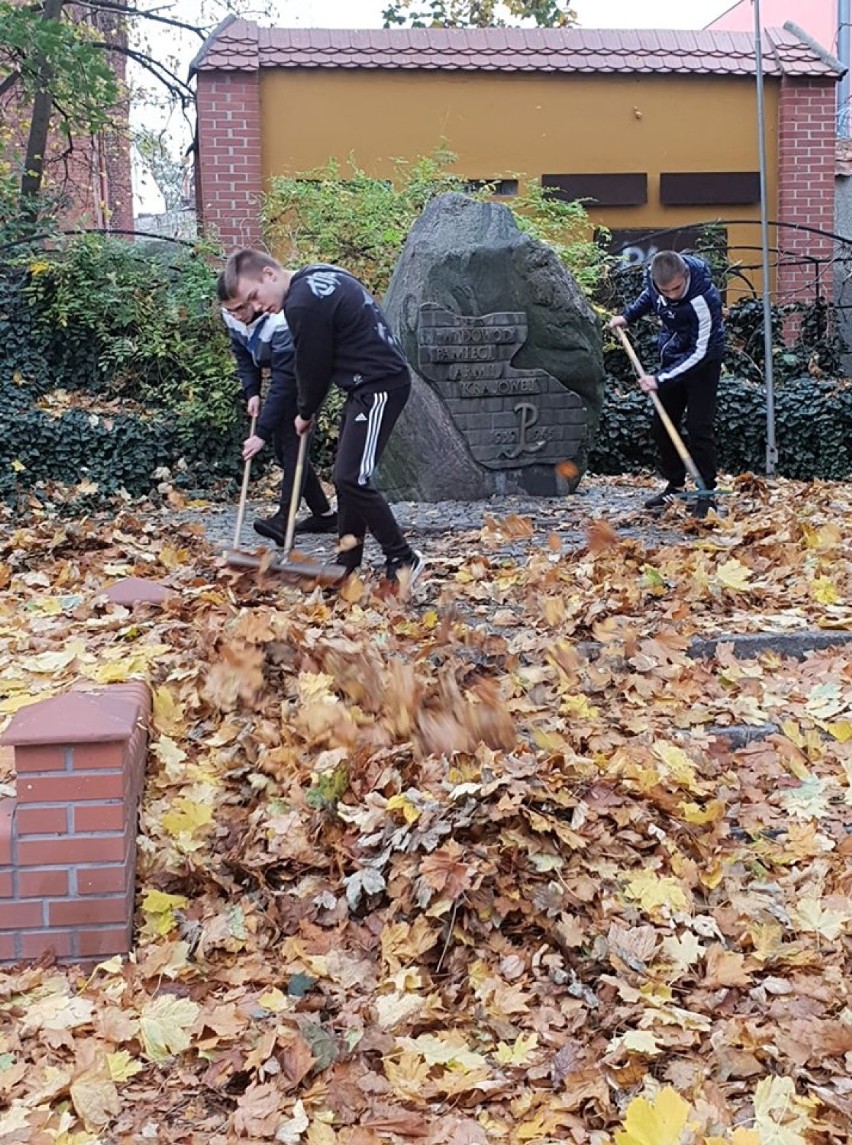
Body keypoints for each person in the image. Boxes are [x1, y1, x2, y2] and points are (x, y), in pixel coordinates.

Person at [220, 250, 424, 586]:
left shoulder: (301, 304)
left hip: (379, 384)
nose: (256, 308)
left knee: (351, 477)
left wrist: (304, 412)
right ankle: (347, 563)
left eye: (254, 296)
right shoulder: (315, 276)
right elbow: (325, 354)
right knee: (346, 475)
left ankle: (403, 557)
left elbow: (313, 365)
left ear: (269, 274)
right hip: (364, 386)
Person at [217, 276, 337, 544]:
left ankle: (284, 519)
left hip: (305, 378)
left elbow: (284, 384)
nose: (237, 316)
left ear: (251, 300)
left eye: (240, 309)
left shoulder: (280, 321)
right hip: (284, 377)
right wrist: (252, 392)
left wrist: (260, 434)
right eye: (230, 311)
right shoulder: (233, 317)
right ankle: (325, 515)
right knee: (284, 454)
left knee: (293, 445)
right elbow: (244, 354)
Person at [609, 250, 725, 519]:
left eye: (676, 289)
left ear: (684, 275)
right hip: (672, 356)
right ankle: (674, 485)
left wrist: (659, 379)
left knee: (699, 427)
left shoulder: (703, 299)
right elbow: (649, 298)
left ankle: (706, 494)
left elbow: (700, 352)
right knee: (662, 427)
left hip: (703, 364)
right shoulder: (655, 283)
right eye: (666, 290)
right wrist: (627, 317)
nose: (671, 295)